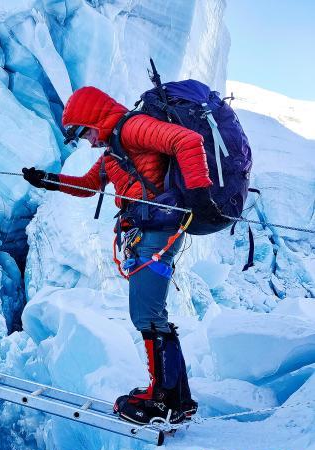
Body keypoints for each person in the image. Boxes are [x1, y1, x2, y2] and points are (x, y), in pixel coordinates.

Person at [22, 86, 224, 425]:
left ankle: (164, 401)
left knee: (146, 314)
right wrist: (49, 181)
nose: (87, 141)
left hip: (158, 232)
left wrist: (200, 195)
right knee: (151, 313)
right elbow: (88, 185)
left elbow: (187, 141)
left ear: (94, 118)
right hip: (145, 232)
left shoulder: (133, 129)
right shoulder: (113, 154)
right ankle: (177, 397)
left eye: (84, 132)